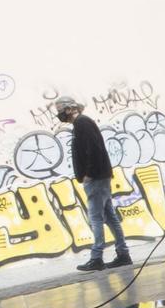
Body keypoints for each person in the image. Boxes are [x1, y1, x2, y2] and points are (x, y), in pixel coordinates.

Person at [56, 95, 132, 272]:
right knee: (110, 217)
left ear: (69, 109)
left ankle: (96, 257)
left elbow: (94, 149)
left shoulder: (82, 122)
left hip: (96, 178)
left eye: (60, 111)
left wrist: (89, 173)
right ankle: (123, 254)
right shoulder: (81, 123)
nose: (59, 115)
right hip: (100, 177)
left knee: (95, 218)